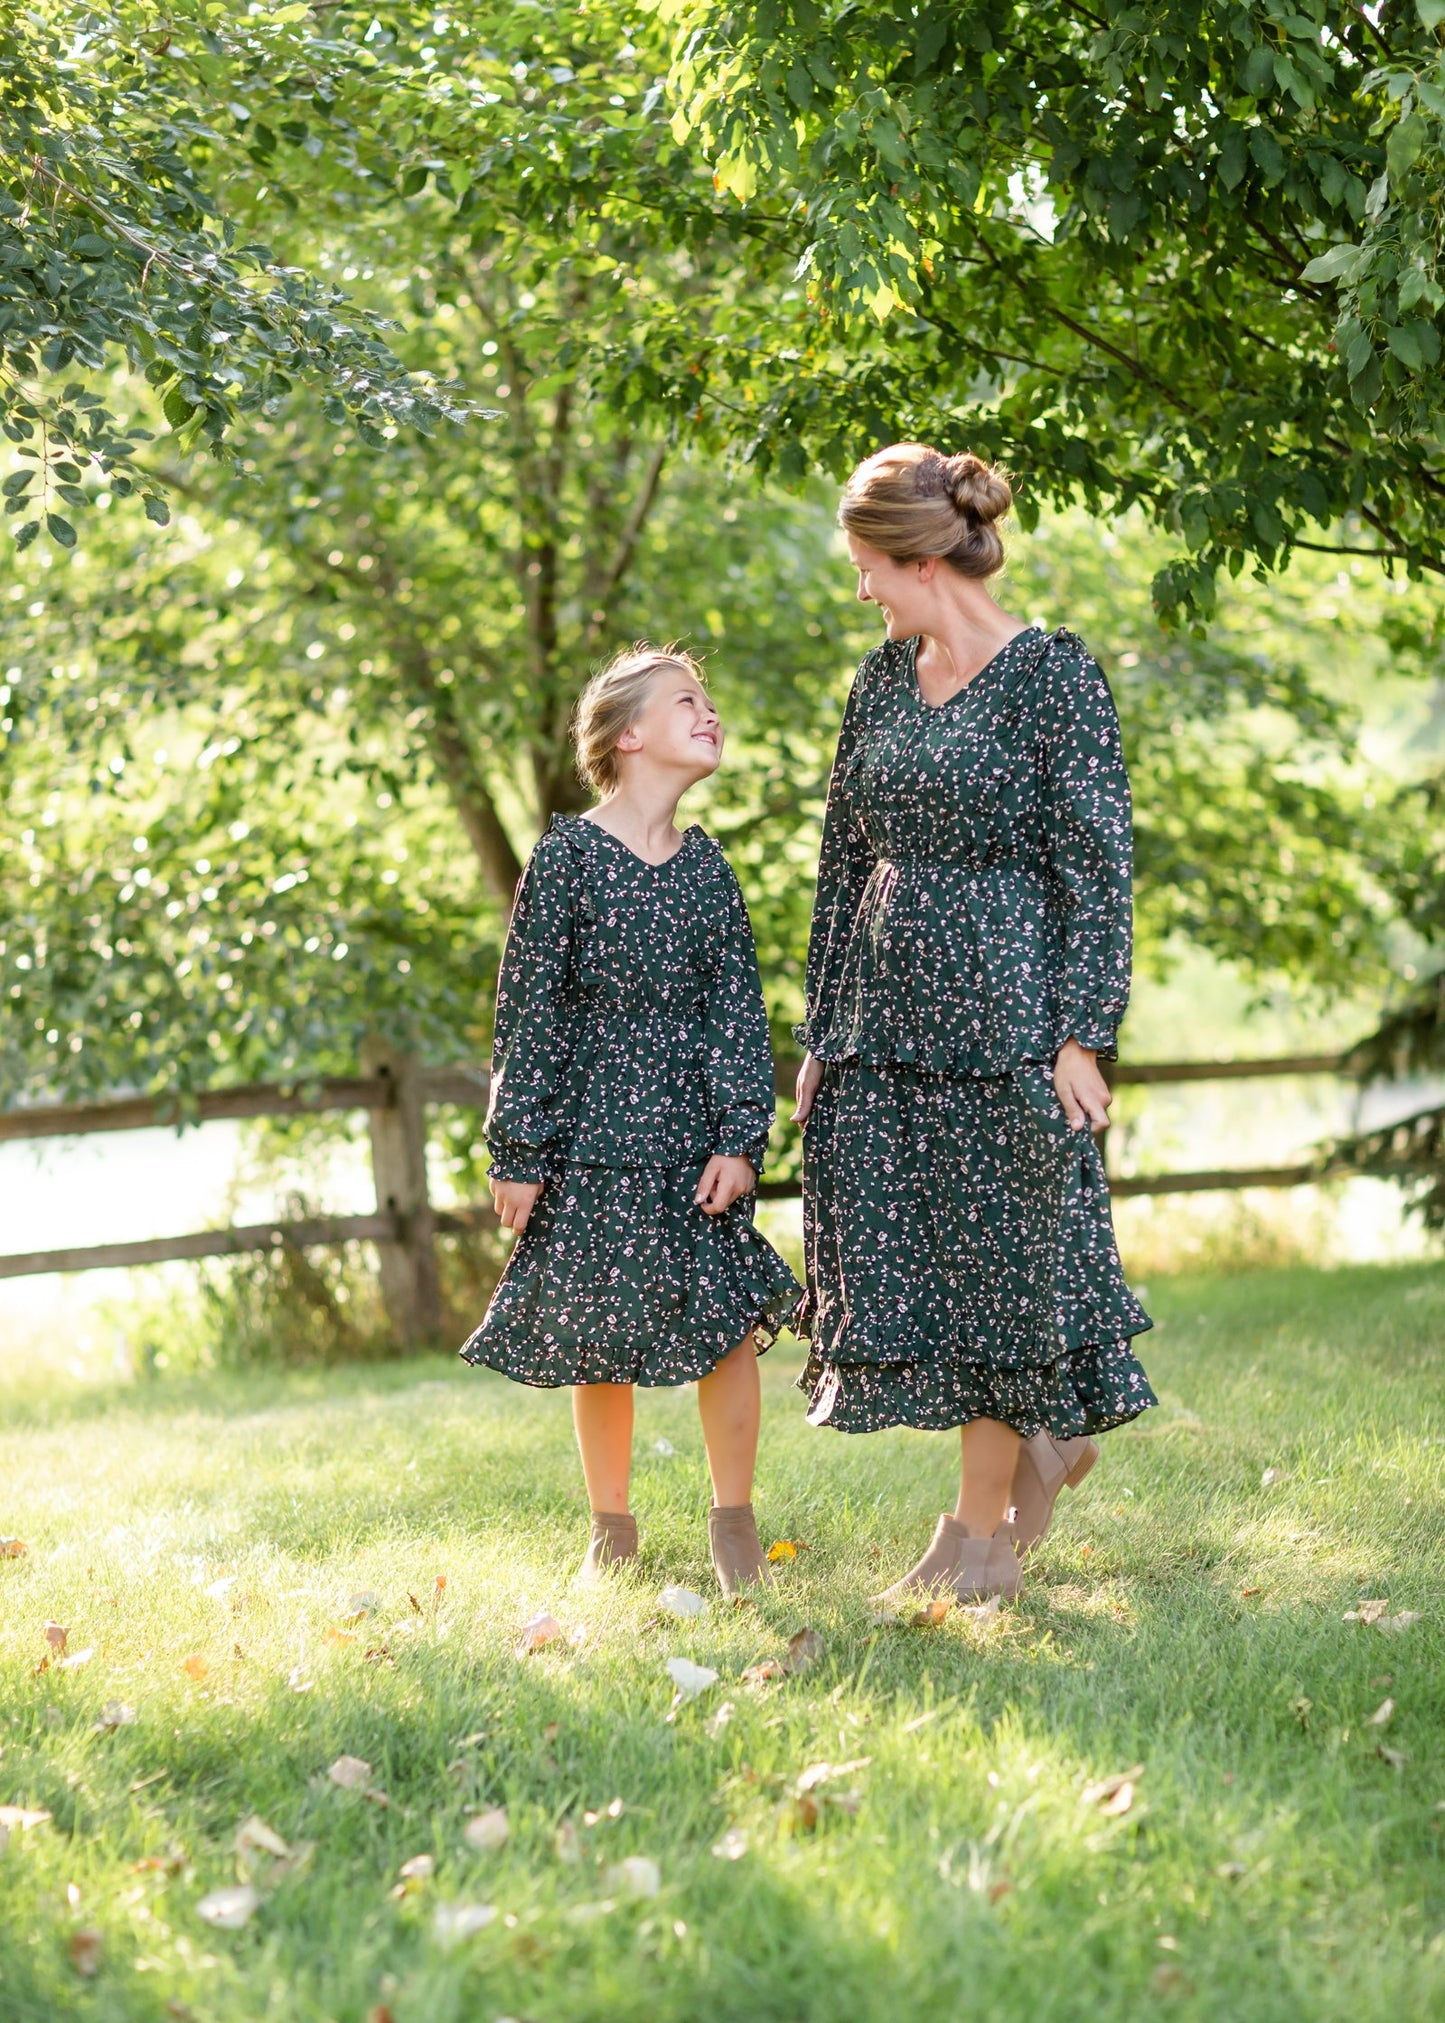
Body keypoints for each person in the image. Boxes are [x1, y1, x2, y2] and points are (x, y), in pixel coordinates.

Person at [791, 443, 1156, 1606]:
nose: (860, 593)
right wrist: (820, 1025)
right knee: (930, 1262)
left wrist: (1080, 1032)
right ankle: (1018, 1474)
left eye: (865, 568)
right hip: (887, 1010)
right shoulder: (879, 682)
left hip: (1008, 1000)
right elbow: (841, 858)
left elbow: (1095, 865)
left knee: (1001, 1259)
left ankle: (978, 1538)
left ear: (919, 558)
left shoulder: (1051, 674)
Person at [460, 644, 801, 1597]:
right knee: (594, 1331)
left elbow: (739, 1007)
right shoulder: (567, 857)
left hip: (692, 1142)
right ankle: (611, 1528)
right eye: (688, 701)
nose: (710, 714)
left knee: (728, 1328)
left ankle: (733, 1523)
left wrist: (740, 1135)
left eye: (711, 701)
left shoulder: (706, 871)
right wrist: (518, 1146)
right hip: (591, 1138)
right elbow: (530, 1005)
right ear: (630, 735)